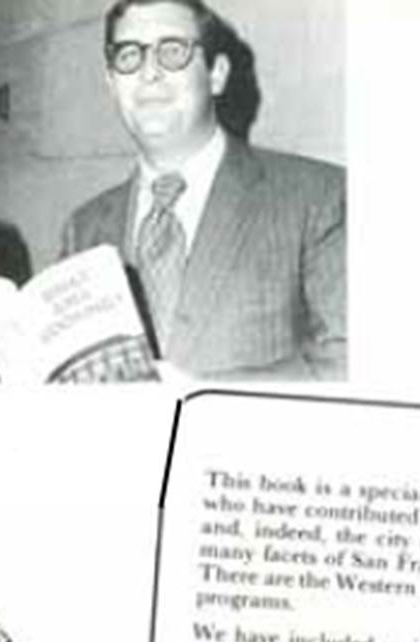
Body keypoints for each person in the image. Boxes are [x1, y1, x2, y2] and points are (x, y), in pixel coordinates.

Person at [61, 0, 346, 381]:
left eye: (173, 51)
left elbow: (348, 362)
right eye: (129, 55)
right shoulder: (83, 229)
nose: (149, 73)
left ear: (217, 74)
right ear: (111, 83)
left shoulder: (321, 198)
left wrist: (199, 396)